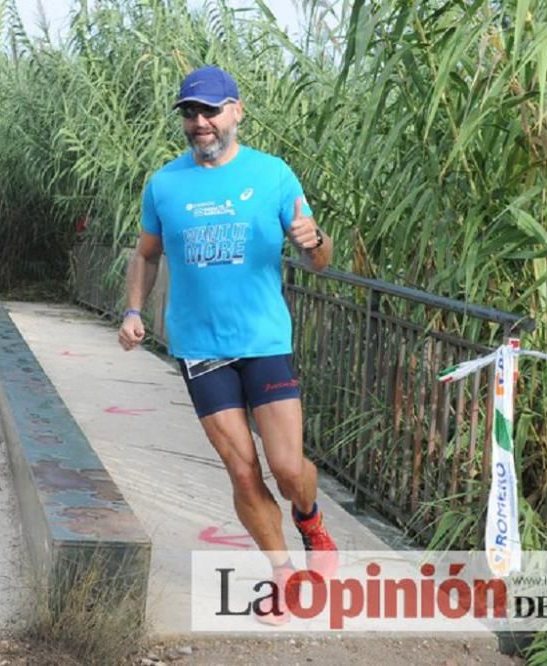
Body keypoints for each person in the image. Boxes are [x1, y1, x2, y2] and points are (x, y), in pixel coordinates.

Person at [117, 65, 337, 624]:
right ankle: (284, 575)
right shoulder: (164, 184)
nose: (200, 123)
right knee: (242, 472)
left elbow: (318, 256)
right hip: (200, 347)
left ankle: (312, 523)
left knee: (288, 469)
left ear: (236, 110)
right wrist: (134, 310)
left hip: (264, 340)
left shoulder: (274, 175)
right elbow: (145, 253)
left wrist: (316, 243)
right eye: (190, 112)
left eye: (210, 110)